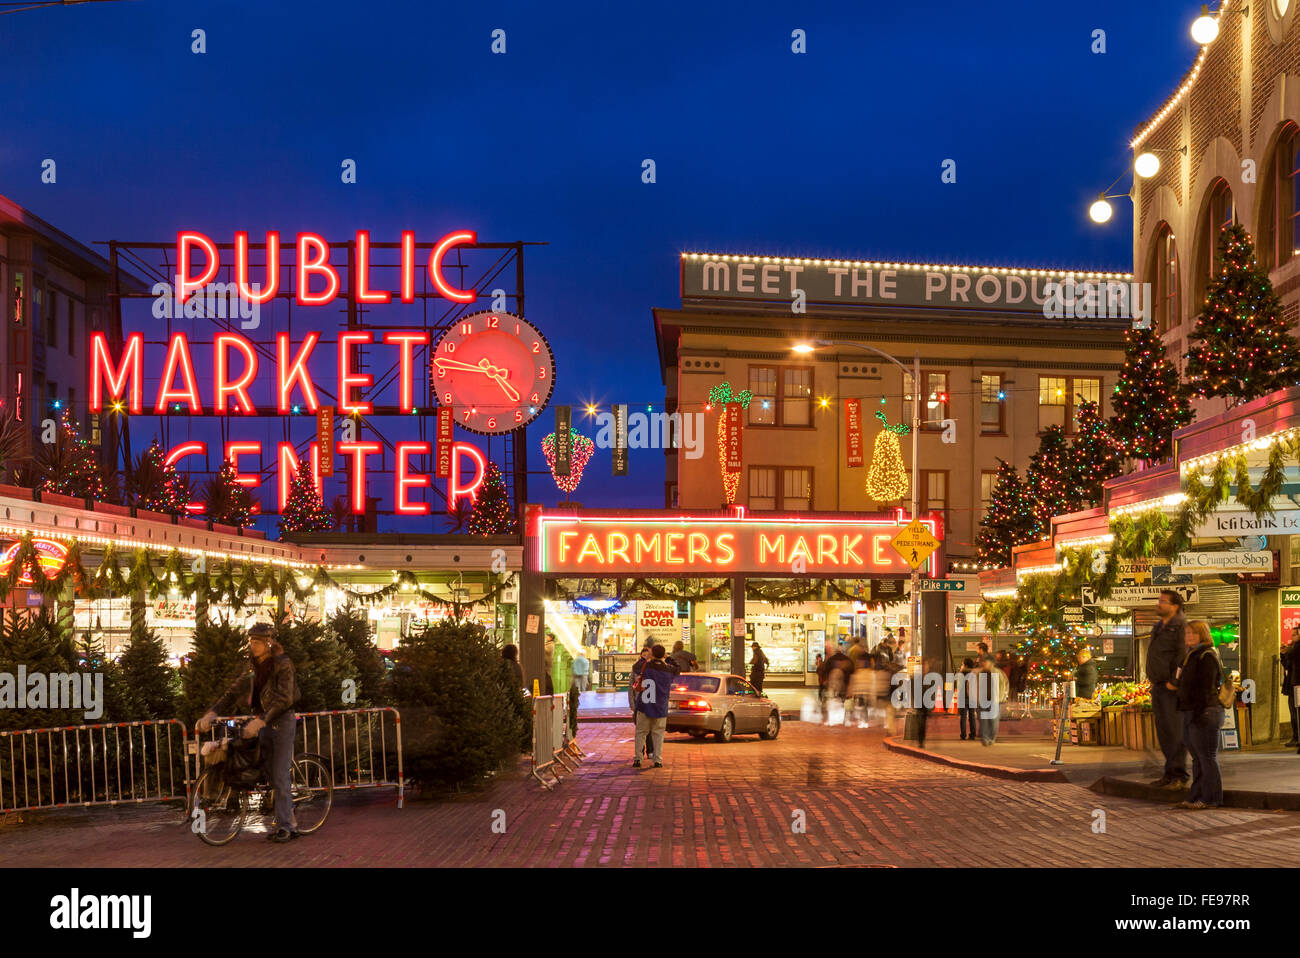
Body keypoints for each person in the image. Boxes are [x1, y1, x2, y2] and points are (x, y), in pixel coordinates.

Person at [197, 623, 302, 843]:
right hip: (261, 722)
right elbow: (232, 691)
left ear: (269, 643)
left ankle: (287, 827)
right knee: (266, 770)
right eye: (251, 641)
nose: (253, 646)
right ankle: (286, 815)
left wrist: (262, 720)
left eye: (257, 642)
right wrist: (212, 713)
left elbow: (285, 698)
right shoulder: (253, 667)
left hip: (281, 722)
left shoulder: (283, 664)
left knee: (280, 775)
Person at [1173, 620, 1225, 810]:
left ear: (1202, 634)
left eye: (1193, 634)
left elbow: (1205, 688)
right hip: (1191, 711)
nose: (1189, 637)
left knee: (1207, 757)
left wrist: (1198, 711)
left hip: (1205, 712)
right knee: (1197, 758)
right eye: (1186, 633)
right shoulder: (1190, 655)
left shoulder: (1207, 655)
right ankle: (1195, 796)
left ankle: (1212, 798)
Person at [1147, 589, 1190, 789]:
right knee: (1164, 732)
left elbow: (1182, 656)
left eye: (1163, 601)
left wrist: (1174, 681)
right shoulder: (1159, 626)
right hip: (1158, 686)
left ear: (1174, 606)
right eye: (1159, 600)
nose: (1159, 604)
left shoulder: (1180, 626)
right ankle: (1169, 773)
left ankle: (1179, 775)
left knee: (1174, 732)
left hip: (1171, 688)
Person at [632, 644, 674, 768]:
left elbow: (635, 667)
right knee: (658, 733)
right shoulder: (668, 669)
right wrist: (669, 658)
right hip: (660, 705)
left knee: (640, 732)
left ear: (652, 654)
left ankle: (638, 759)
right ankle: (657, 760)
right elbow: (678, 668)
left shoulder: (646, 666)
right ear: (663, 655)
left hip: (645, 704)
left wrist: (646, 658)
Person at [978, 655, 1003, 746]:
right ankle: (985, 738)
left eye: (986, 662)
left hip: (995, 700)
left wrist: (1002, 696)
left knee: (993, 721)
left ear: (991, 663)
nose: (984, 663)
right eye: (983, 662)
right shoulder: (980, 673)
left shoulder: (998, 673)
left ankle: (992, 738)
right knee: (984, 721)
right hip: (982, 700)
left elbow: (1004, 685)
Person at [1283, 628, 1299, 747]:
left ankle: (1297, 737)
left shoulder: (1297, 648)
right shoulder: (1294, 648)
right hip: (1293, 683)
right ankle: (1296, 736)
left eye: (1294, 635)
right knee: (1294, 711)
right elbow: (1287, 664)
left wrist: (1285, 651)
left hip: (1297, 684)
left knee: (1295, 712)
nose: (1292, 637)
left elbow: (1291, 654)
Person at [958, 657, 979, 741]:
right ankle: (972, 734)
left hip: (963, 697)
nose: (961, 666)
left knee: (963, 717)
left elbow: (959, 686)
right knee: (972, 716)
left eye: (962, 664)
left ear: (965, 665)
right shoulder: (973, 674)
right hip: (972, 697)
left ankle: (963, 735)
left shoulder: (961, 674)